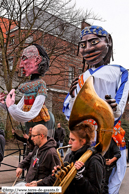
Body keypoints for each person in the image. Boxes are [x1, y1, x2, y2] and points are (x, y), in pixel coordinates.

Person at [63, 25, 129, 194]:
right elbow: (69, 113)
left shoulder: (121, 72)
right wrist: (71, 96)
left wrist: (114, 109)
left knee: (111, 178)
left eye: (94, 42)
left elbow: (120, 104)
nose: (88, 49)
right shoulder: (80, 78)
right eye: (83, 45)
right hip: (85, 136)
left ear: (108, 43)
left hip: (109, 134)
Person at [0, 44, 55, 136]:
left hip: (42, 121)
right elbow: (18, 109)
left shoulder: (41, 84)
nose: (21, 65)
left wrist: (11, 107)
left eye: (24, 59)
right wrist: (5, 104)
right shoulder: (27, 87)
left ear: (37, 60)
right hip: (30, 122)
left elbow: (30, 114)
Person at [52, 122, 106, 194]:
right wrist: (59, 174)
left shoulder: (94, 161)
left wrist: (79, 177)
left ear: (83, 141)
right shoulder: (69, 156)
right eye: (69, 139)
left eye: (73, 140)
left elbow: (95, 191)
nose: (69, 142)